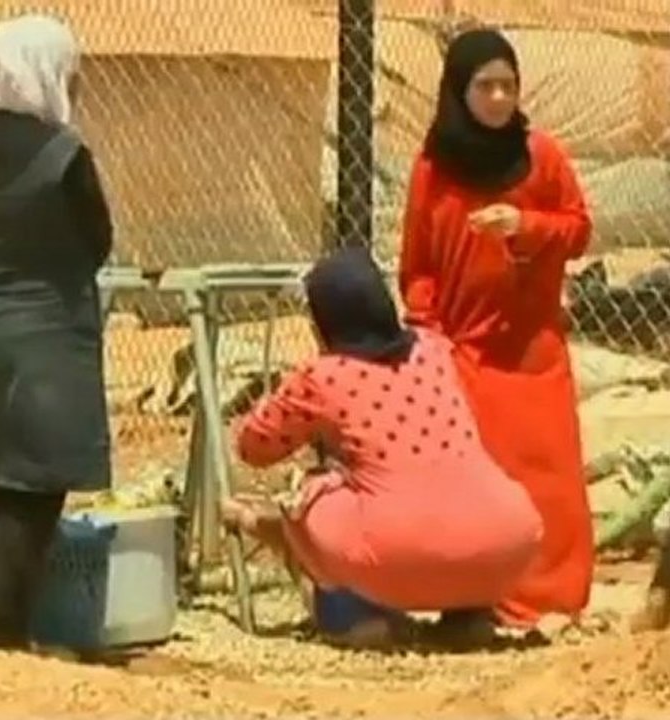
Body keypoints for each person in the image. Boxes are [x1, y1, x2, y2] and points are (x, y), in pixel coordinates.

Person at [224, 245, 543, 648]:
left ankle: (354, 620)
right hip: (508, 541)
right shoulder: (435, 349)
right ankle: (470, 615)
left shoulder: (324, 376)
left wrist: (284, 402)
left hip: (399, 549)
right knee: (447, 490)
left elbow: (254, 447)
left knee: (308, 495)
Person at [397, 28, 593, 631]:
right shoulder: (434, 165)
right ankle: (486, 597)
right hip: (467, 351)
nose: (500, 98)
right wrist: (429, 332)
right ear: (460, 90)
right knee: (485, 477)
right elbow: (418, 263)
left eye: (509, 85)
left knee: (551, 478)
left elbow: (579, 229)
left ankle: (556, 597)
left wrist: (525, 226)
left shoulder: (542, 155)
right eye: (486, 86)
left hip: (532, 349)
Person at [0, 14, 113, 656]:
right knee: (37, 485)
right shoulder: (63, 153)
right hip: (47, 331)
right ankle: (3, 636)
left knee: (1, 472)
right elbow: (97, 239)